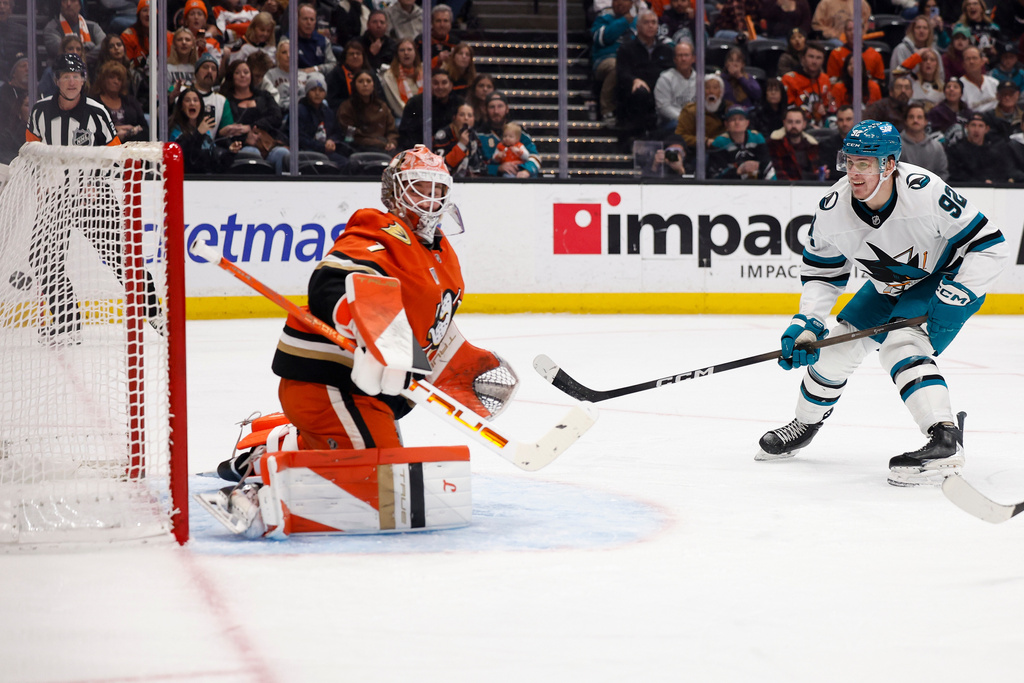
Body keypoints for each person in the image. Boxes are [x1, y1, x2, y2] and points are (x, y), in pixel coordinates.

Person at [211, 146, 519, 539]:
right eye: (418, 186)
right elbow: (331, 283)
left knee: (390, 483)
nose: (429, 197)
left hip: (368, 395)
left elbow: (432, 331)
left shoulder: (445, 255)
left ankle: (274, 447)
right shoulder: (378, 229)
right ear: (394, 192)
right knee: (384, 489)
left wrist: (466, 366)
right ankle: (259, 486)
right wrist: (368, 329)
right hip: (329, 382)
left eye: (436, 188)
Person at [756, 120, 1008, 487]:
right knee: (832, 354)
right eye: (849, 162)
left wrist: (960, 293)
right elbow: (822, 273)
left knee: (901, 345)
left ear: (889, 165)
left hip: (947, 279)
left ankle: (944, 438)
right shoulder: (831, 210)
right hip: (889, 285)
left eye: (864, 164)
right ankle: (805, 425)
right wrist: (807, 322)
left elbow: (989, 245)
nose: (853, 173)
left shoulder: (925, 192)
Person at [25, 53, 162, 345]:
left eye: (76, 76)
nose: (71, 81)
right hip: (56, 198)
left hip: (94, 197)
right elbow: (31, 153)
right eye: (66, 76)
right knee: (41, 257)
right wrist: (40, 182)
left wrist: (94, 183)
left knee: (120, 256)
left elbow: (114, 156)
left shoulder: (97, 112)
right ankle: (66, 322)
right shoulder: (39, 111)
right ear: (56, 80)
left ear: (84, 80)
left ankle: (155, 313)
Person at [615, 9, 674, 134]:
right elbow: (622, 72)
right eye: (646, 22)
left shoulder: (666, 50)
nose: (651, 25)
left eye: (654, 22)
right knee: (640, 92)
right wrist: (634, 80)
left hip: (661, 93)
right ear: (638, 26)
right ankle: (637, 135)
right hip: (636, 94)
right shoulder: (626, 48)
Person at [169, 86, 240, 173]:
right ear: (181, 106)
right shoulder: (175, 131)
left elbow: (216, 165)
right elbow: (188, 160)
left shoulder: (206, 132)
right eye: (187, 100)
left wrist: (231, 152)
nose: (192, 103)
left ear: (201, 106)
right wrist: (198, 133)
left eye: (195, 100)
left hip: (206, 180)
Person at [591, 0, 638, 127]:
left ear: (631, 3)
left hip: (632, 62)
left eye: (624, 0)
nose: (619, 3)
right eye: (616, 0)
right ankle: (607, 110)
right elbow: (601, 39)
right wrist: (623, 22)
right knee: (616, 67)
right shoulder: (603, 19)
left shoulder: (638, 21)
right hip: (606, 60)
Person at [475, 91, 541, 178]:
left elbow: (535, 157)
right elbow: (475, 167)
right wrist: (497, 168)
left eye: (500, 106)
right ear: (485, 110)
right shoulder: (479, 135)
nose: (496, 111)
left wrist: (526, 171)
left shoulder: (520, 132)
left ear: (507, 109)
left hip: (521, 183)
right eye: (492, 107)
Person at [336, 69, 399, 154]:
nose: (365, 84)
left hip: (385, 147)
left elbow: (392, 130)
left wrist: (392, 143)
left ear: (373, 85)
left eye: (368, 81)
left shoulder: (382, 106)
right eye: (361, 81)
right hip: (359, 148)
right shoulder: (347, 107)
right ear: (354, 85)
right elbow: (353, 136)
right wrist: (381, 144)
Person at [397, 69, 463, 150]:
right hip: (420, 151)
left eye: (444, 83)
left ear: (451, 85)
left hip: (451, 150)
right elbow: (406, 134)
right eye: (435, 83)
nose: (440, 87)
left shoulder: (459, 103)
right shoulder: (416, 103)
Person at [296, 72, 349, 170]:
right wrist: (321, 146)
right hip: (307, 151)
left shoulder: (328, 112)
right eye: (313, 90)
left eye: (321, 90)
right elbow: (299, 137)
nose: (317, 93)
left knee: (347, 162)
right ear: (307, 92)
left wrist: (331, 141)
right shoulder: (299, 110)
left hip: (326, 151)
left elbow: (337, 132)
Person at [947, 111, 1018, 180]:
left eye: (980, 126)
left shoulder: (993, 152)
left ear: (986, 129)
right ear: (966, 127)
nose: (976, 130)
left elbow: (1001, 173)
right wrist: (980, 181)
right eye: (973, 125)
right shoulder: (955, 150)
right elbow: (955, 173)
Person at [708, 106, 774, 179]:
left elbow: (767, 164)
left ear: (747, 123)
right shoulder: (720, 142)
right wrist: (738, 171)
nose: (737, 122)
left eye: (741, 119)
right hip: (729, 186)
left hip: (757, 184)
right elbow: (715, 175)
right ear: (726, 124)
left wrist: (759, 166)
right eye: (733, 119)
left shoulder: (757, 138)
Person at [91, 60, 148, 142]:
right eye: (112, 77)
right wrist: (115, 129)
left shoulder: (131, 101)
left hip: (132, 144)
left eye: (119, 79)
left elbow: (145, 128)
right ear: (103, 79)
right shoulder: (94, 103)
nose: (116, 81)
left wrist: (129, 132)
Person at [767, 105, 823, 180]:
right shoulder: (774, 144)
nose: (793, 126)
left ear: (804, 124)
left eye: (797, 122)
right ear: (784, 123)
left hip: (809, 187)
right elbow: (777, 171)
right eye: (790, 122)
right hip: (783, 187)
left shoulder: (812, 146)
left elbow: (816, 171)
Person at [781, 41, 830, 125]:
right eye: (811, 56)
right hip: (795, 124)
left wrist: (823, 110)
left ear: (823, 61)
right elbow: (787, 109)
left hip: (819, 124)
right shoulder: (789, 79)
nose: (814, 61)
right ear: (803, 58)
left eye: (818, 58)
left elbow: (827, 106)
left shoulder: (825, 79)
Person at [675, 73, 727, 151]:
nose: (711, 91)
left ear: (721, 91)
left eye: (715, 88)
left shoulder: (729, 109)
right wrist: (703, 141)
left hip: (723, 149)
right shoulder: (690, 111)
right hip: (697, 151)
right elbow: (680, 136)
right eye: (707, 88)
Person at [433, 102, 486, 177]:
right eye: (462, 115)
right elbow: (441, 166)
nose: (466, 118)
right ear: (454, 117)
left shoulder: (474, 136)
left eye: (470, 115)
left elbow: (478, 165)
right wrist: (461, 145)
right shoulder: (442, 136)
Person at [654, 40, 697, 132]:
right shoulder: (665, 79)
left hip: (695, 121)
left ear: (693, 58)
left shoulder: (701, 79)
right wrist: (685, 119)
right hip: (671, 124)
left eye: (686, 55)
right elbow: (663, 107)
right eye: (680, 55)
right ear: (675, 59)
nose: (683, 59)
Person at [326, 40, 379, 112]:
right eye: (351, 54)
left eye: (358, 54)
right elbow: (331, 100)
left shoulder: (370, 73)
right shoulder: (336, 74)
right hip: (345, 112)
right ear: (345, 57)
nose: (355, 56)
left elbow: (380, 96)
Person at [901, 101, 949, 178]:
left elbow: (943, 173)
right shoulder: (896, 146)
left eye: (919, 117)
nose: (915, 120)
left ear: (926, 121)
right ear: (905, 121)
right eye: (911, 117)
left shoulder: (936, 147)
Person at [381, 39, 423, 121]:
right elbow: (396, 104)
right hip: (403, 116)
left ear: (415, 53)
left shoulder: (424, 71)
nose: (406, 53)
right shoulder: (389, 76)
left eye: (409, 49)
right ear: (397, 54)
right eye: (402, 50)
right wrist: (414, 115)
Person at [295, 3, 337, 76]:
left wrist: (316, 69)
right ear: (297, 20)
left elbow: (333, 64)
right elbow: (283, 67)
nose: (309, 23)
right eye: (305, 19)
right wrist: (302, 72)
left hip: (318, 78)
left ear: (315, 22)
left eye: (312, 19)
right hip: (296, 79)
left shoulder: (323, 41)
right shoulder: (288, 40)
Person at [928, 77, 973, 143]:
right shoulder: (935, 113)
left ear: (961, 93)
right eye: (948, 87)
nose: (951, 89)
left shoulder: (968, 113)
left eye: (955, 87)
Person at [416, 4, 460, 70]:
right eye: (438, 21)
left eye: (445, 21)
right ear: (432, 23)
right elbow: (415, 67)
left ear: (450, 23)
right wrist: (437, 60)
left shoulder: (456, 43)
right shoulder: (421, 41)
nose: (442, 25)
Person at [720, 46, 762, 111]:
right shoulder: (721, 79)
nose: (734, 64)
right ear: (726, 63)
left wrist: (740, 77)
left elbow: (757, 94)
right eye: (731, 60)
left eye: (738, 61)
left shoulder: (747, 78)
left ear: (743, 64)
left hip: (746, 112)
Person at [960, 45, 1000, 111]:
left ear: (982, 62)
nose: (971, 62)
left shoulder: (994, 83)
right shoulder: (959, 86)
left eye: (974, 58)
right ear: (963, 64)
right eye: (968, 59)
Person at [0, 0, 27, 80]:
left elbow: (32, 58)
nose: (1, 7)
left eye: (5, 3)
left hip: (15, 79)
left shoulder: (22, 31)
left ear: (11, 9)